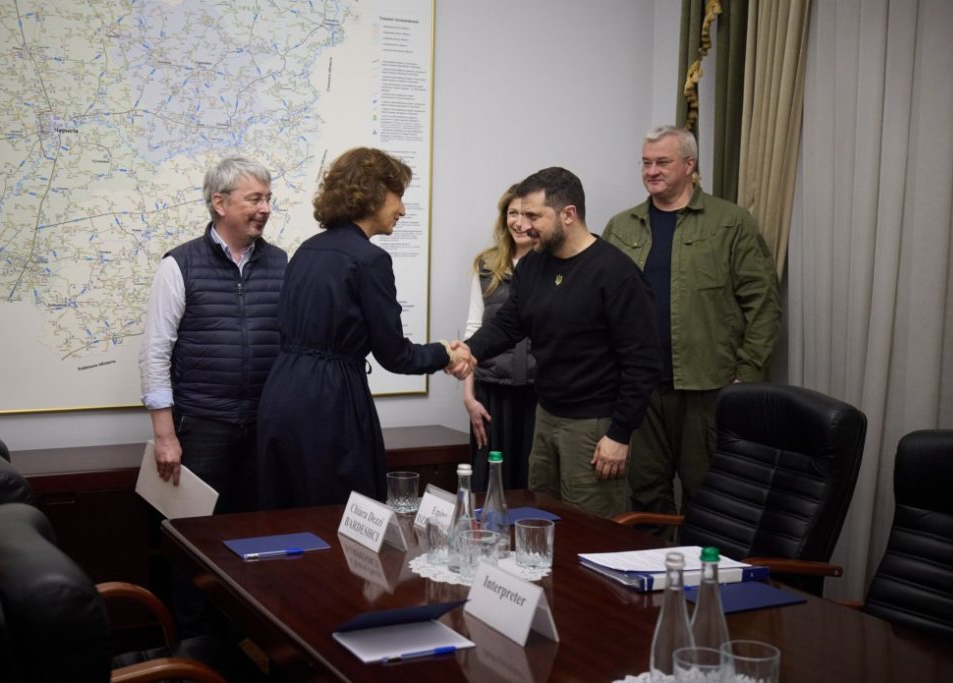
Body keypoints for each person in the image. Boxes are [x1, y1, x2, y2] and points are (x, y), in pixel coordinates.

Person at [257, 147, 473, 509]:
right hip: (331, 401)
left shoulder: (306, 250)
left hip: (281, 394)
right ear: (372, 193)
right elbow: (395, 355)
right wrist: (445, 353)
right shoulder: (370, 259)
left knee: (289, 511)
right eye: (399, 197)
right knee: (342, 514)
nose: (403, 209)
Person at [602, 125, 781, 523]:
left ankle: (704, 585)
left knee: (709, 497)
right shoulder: (622, 226)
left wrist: (747, 374)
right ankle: (648, 583)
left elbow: (764, 304)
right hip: (640, 389)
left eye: (662, 162)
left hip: (709, 387)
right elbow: (603, 306)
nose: (651, 171)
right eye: (646, 163)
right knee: (646, 498)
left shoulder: (730, 222)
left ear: (689, 165)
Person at [139, 156, 287, 635]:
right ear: (219, 203)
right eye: (254, 199)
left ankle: (247, 638)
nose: (265, 208)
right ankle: (195, 644)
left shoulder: (282, 263)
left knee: (253, 539)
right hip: (202, 427)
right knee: (193, 540)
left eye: (267, 198)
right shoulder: (178, 265)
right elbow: (155, 353)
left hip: (262, 427)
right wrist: (165, 435)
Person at [465, 167, 662, 518]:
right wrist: (467, 352)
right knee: (540, 519)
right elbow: (509, 323)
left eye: (533, 216)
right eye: (520, 214)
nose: (522, 226)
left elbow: (642, 363)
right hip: (546, 416)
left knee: (589, 531)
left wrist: (619, 435)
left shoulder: (616, 274)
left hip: (594, 426)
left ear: (568, 214)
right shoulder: (533, 266)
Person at [462, 184, 538, 491]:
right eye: (512, 213)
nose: (519, 222)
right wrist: (468, 396)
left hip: (538, 394)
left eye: (528, 214)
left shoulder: (554, 266)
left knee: (532, 482)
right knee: (490, 482)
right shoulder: (486, 264)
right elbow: (472, 330)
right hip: (491, 392)